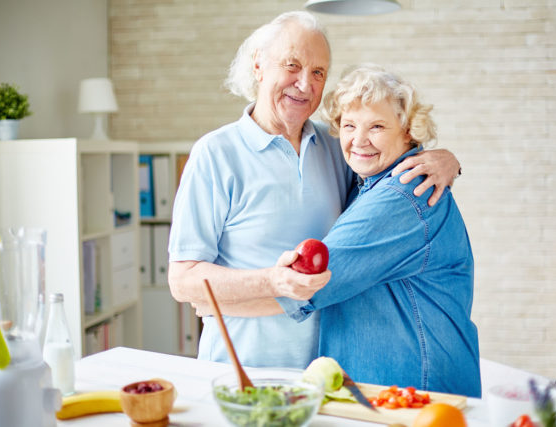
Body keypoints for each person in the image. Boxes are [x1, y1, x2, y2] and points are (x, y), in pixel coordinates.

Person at [168, 11, 462, 370]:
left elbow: (386, 176)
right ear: (259, 65)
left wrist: (445, 160)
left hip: (323, 374)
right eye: (292, 65)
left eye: (318, 72)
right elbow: (183, 281)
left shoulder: (335, 144)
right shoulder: (215, 154)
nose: (305, 84)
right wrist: (270, 281)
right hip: (240, 370)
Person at [274, 64, 481, 397]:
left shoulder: (403, 195)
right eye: (349, 125)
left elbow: (308, 285)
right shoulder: (367, 183)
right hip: (398, 395)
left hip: (417, 398)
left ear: (408, 132)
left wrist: (220, 298)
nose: (359, 140)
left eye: (377, 126)